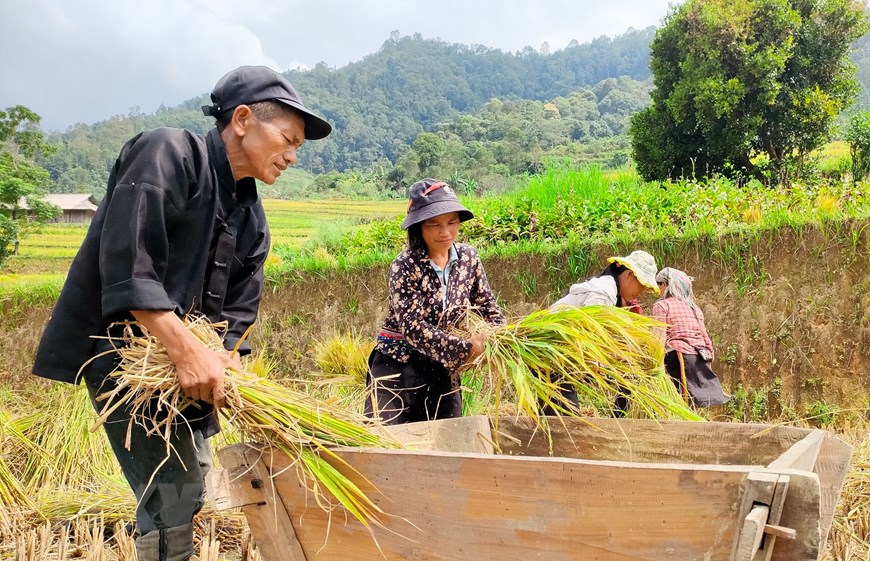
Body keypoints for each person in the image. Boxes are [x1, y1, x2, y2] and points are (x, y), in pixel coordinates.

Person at [31, 65, 332, 560]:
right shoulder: (167, 153)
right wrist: (186, 349)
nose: (293, 155)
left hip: (187, 373)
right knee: (175, 486)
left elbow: (236, 315)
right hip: (127, 357)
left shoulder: (252, 220)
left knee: (189, 482)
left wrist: (225, 357)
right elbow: (129, 264)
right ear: (241, 119)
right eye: (287, 138)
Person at [364, 178, 505, 425]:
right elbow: (412, 327)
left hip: (441, 367)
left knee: (447, 438)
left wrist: (504, 338)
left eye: (452, 222)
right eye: (434, 224)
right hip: (397, 363)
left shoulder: (468, 259)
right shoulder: (405, 265)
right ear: (418, 227)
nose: (445, 232)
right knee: (383, 437)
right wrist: (465, 350)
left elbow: (487, 306)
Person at [547, 250, 660, 416]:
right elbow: (590, 332)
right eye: (642, 285)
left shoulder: (612, 293)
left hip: (558, 354)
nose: (641, 292)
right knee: (565, 416)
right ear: (629, 275)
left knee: (556, 414)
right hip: (550, 351)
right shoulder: (603, 292)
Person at [652, 267, 730, 407]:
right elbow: (704, 336)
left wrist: (653, 363)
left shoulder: (662, 305)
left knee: (675, 401)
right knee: (691, 402)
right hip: (699, 356)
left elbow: (659, 337)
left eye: (659, 285)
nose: (659, 290)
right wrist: (709, 357)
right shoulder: (693, 308)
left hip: (677, 356)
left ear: (666, 285)